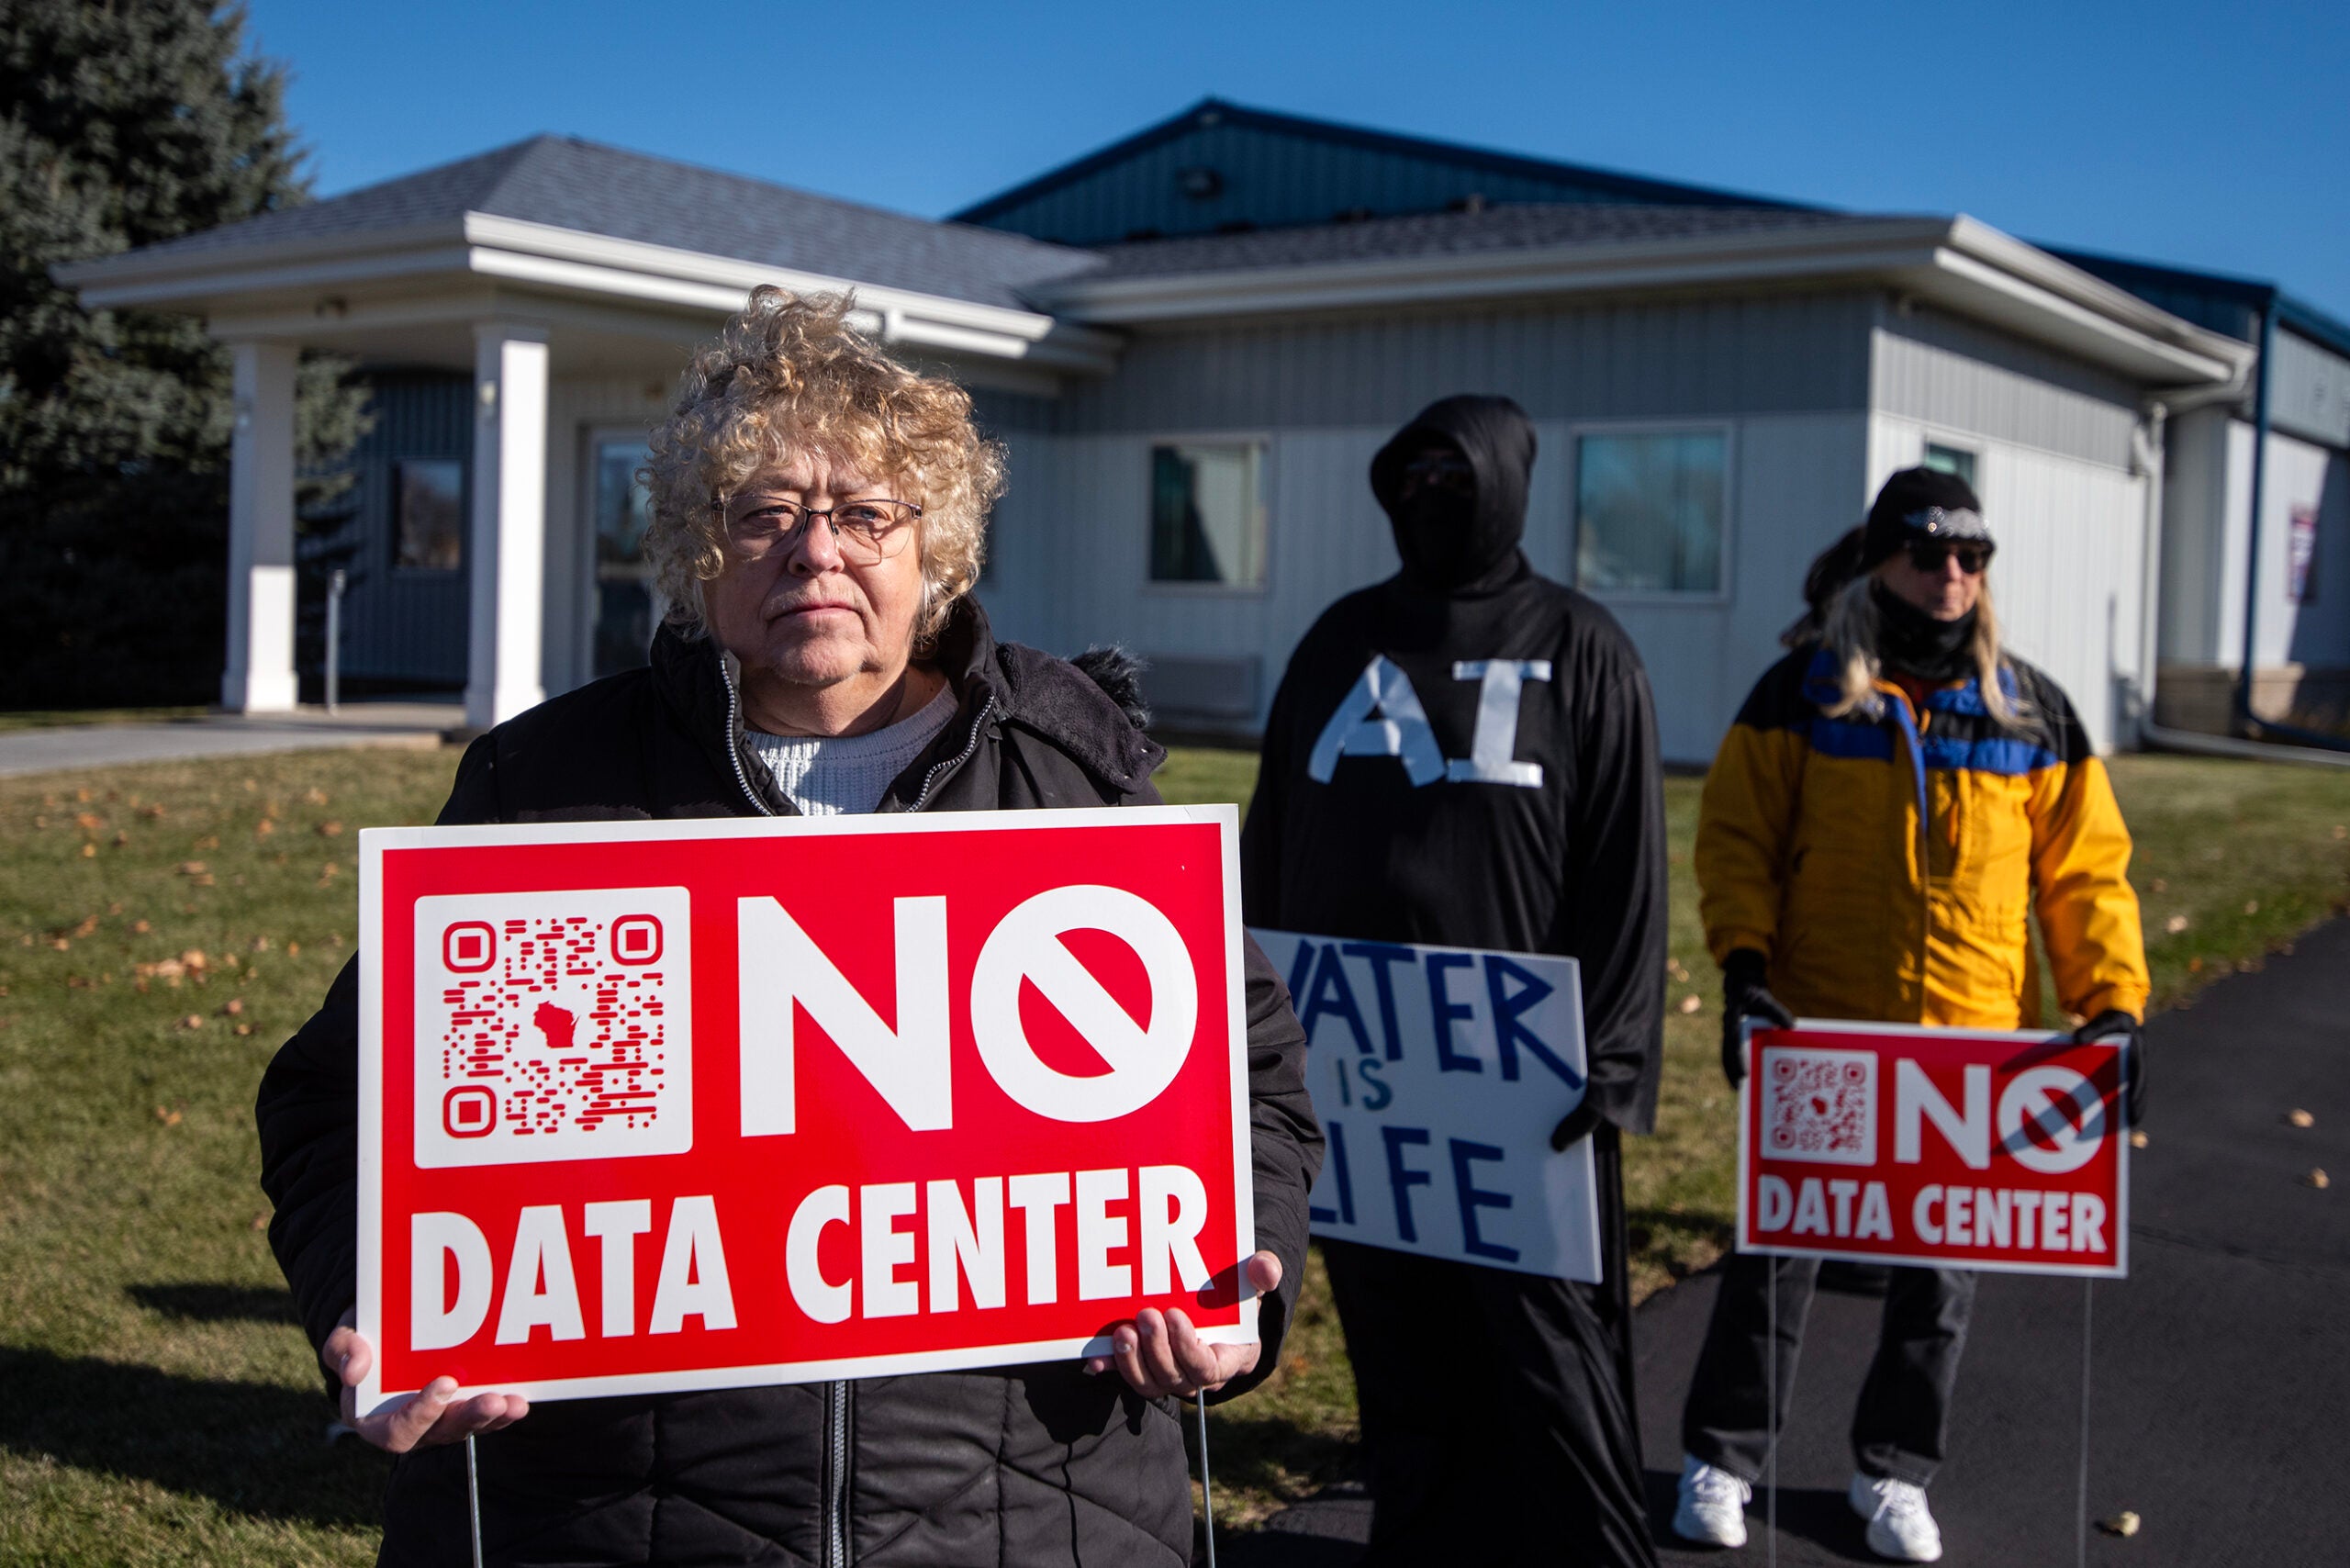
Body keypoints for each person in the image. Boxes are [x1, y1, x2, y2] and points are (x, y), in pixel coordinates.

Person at [255, 286, 1324, 1568]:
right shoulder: (543, 787)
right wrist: (373, 1307)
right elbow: (339, 1103)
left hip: (1028, 1515)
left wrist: (1231, 1281)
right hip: (613, 1519)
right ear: (696, 551)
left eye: (866, 513)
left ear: (937, 548)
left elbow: (1247, 1081)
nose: (816, 551)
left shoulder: (1073, 776)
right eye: (764, 514)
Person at [1670, 467, 2149, 1563]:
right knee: (1773, 1260)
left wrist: (2110, 1005)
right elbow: (1736, 840)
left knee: (1939, 1283)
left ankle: (1893, 1472)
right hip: (1824, 1036)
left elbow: (2085, 879)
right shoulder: (1801, 690)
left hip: (1970, 1053)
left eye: (1971, 560)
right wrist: (1742, 969)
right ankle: (1722, 1457)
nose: (1951, 577)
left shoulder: (2030, 708)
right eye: (1930, 555)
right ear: (1880, 559)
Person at [1242, 395, 1668, 1567]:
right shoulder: (1339, 642)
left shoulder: (1580, 644)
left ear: (1509, 482)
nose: (1433, 493)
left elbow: (1627, 860)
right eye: (1413, 473)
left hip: (1520, 1082)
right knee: (1397, 1343)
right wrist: (1253, 1024)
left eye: (1457, 473)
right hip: (1361, 1070)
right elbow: (1273, 833)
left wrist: (1616, 1056)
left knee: (1549, 1355)